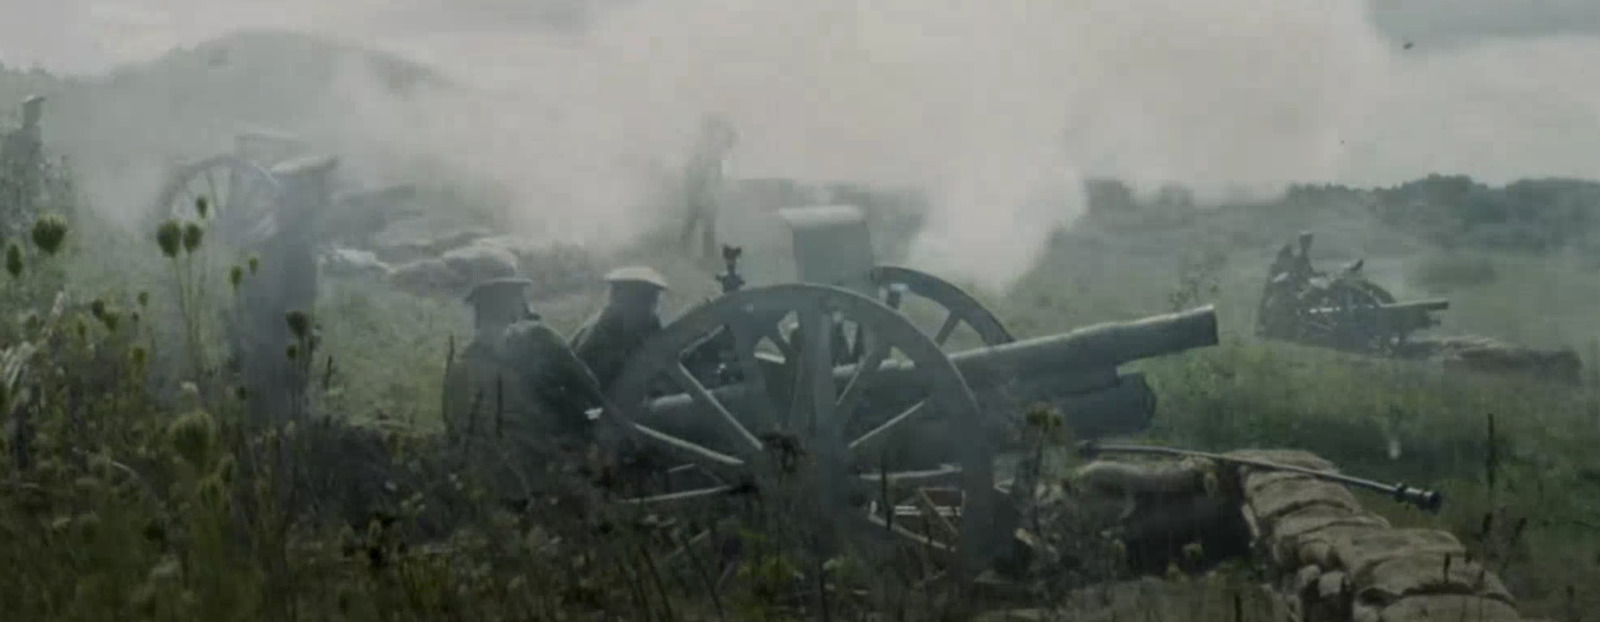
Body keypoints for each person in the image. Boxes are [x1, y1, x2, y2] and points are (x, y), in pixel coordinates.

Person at [444, 277, 606, 447]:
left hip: (474, 451)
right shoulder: (537, 336)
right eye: (521, 300)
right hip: (539, 448)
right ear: (514, 307)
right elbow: (587, 384)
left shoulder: (462, 360)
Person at [570, 266, 670, 394]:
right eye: (643, 296)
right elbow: (582, 368)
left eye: (653, 297)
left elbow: (665, 353)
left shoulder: (651, 323)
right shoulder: (601, 328)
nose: (652, 303)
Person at [679, 114, 736, 261]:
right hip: (700, 184)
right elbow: (698, 168)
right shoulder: (705, 145)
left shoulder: (710, 144)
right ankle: (699, 252)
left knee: (700, 219)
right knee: (698, 218)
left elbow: (715, 165)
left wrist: (716, 182)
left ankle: (698, 251)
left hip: (703, 185)